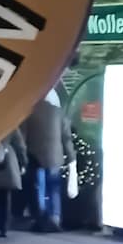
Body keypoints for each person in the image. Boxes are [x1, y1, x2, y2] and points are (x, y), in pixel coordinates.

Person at [23, 86, 76, 232]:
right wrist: (71, 158)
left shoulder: (30, 111)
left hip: (36, 157)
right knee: (54, 190)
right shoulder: (59, 113)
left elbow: (24, 135)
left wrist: (23, 157)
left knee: (39, 189)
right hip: (55, 158)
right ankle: (55, 219)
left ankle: (41, 219)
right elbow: (66, 138)